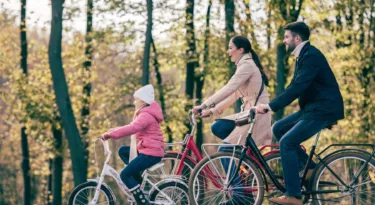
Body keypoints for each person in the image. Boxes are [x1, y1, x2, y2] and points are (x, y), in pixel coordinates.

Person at [257, 21, 344, 205]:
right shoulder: (302, 56)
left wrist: (271, 106)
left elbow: (298, 87)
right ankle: (309, 168)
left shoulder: (311, 56)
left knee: (287, 142)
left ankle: (294, 195)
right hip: (312, 108)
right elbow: (293, 86)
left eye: (286, 37)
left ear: (297, 38)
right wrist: (271, 104)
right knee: (279, 128)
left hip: (322, 109)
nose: (284, 41)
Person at [193, 35, 272, 205]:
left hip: (256, 115)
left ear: (240, 50)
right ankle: (242, 161)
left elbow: (230, 88)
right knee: (218, 126)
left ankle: (238, 195)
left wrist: (204, 105)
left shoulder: (247, 65)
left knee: (224, 149)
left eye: (230, 48)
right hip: (247, 114)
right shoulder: (245, 65)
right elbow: (236, 94)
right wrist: (213, 111)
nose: (228, 52)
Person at [102, 84, 164, 205]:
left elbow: (133, 128)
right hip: (148, 150)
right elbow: (131, 126)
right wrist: (112, 131)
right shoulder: (145, 114)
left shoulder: (145, 115)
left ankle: (142, 202)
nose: (134, 102)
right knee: (123, 151)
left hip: (150, 153)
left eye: (136, 99)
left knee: (124, 175)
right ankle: (138, 184)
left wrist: (111, 135)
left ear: (142, 101)